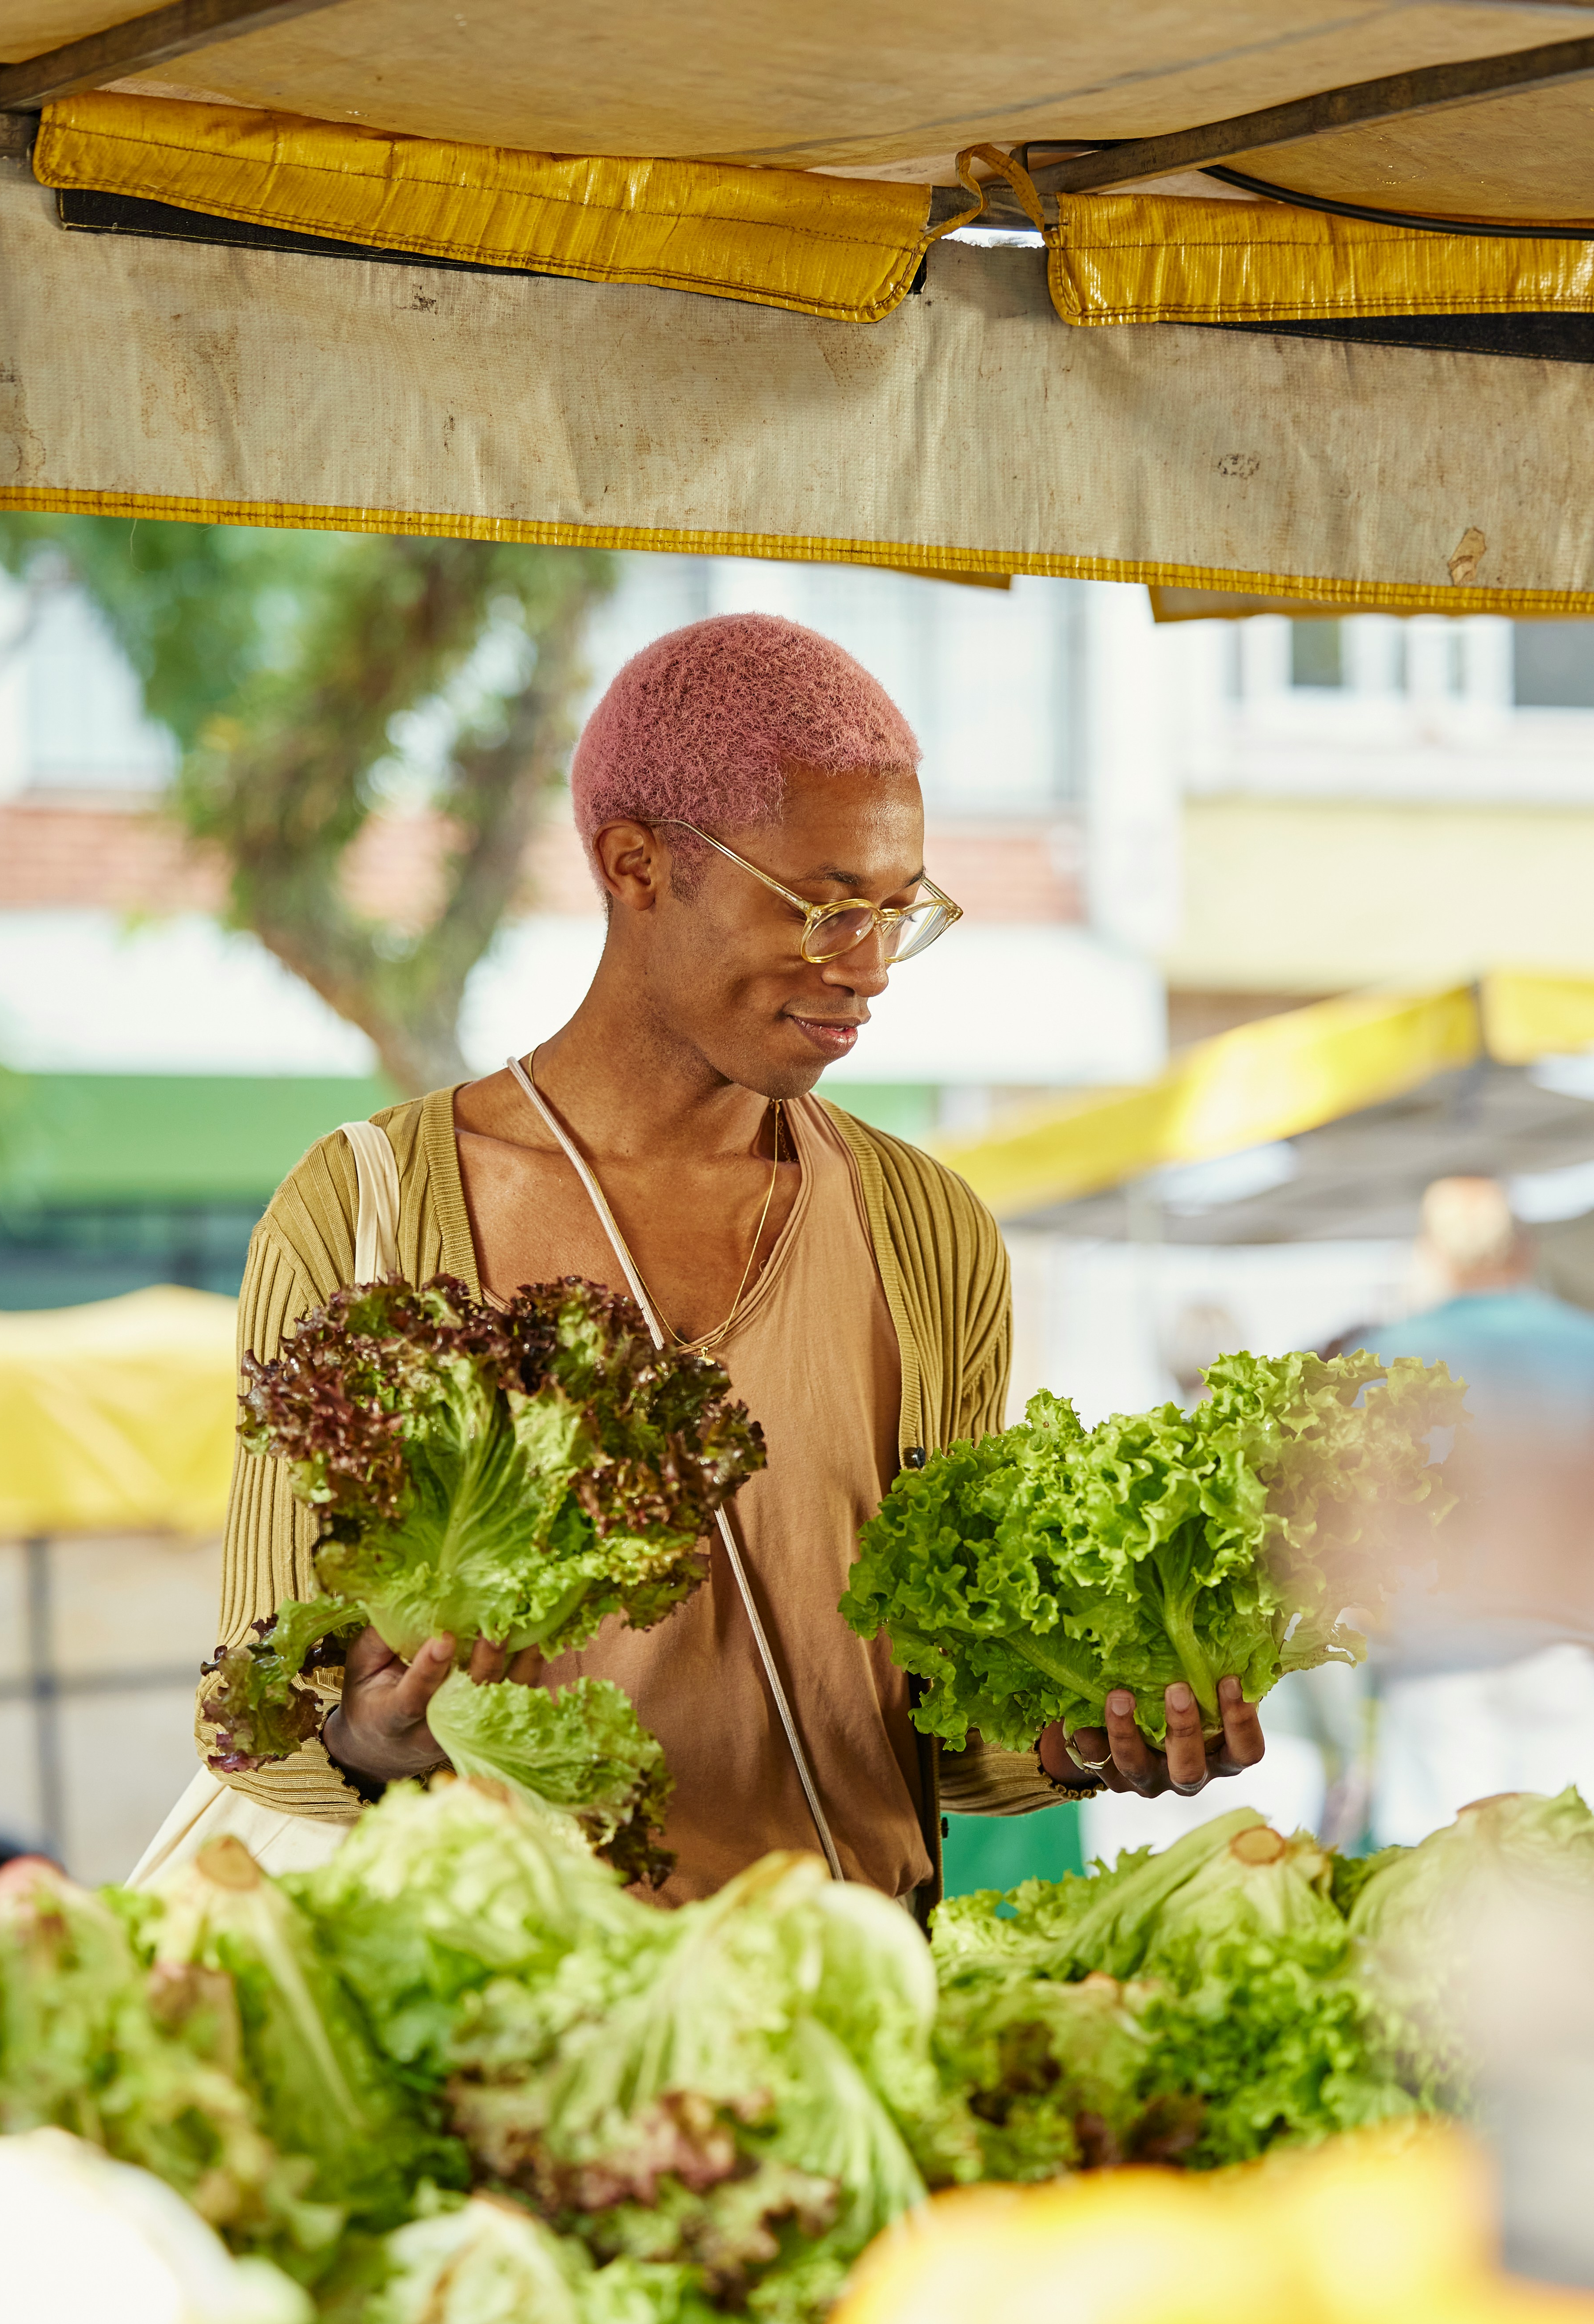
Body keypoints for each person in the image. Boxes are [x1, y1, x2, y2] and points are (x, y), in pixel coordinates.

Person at [131, 616, 1264, 1902]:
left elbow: (928, 1713)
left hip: (853, 2008)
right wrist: (370, 1736)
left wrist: (1084, 1739)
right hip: (531, 2030)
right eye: (828, 908)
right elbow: (263, 1708)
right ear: (636, 866)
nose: (872, 971)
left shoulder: (929, 1232)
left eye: (901, 913)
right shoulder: (368, 1210)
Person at [1369, 1175, 1594, 1843]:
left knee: (1437, 1881)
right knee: (1570, 1872)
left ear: (1431, 1254)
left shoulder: (1382, 1358)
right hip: (1568, 1653)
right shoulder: (1583, 1346)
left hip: (1434, 1661)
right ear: (1522, 1250)